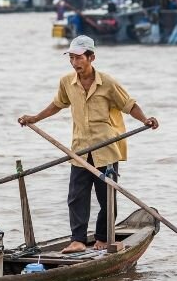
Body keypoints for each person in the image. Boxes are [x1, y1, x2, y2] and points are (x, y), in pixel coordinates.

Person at [18, 35, 158, 254]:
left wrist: (146, 120)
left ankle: (103, 237)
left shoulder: (108, 82)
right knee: (76, 196)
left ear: (91, 57)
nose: (75, 63)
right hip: (80, 150)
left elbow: (129, 105)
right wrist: (34, 118)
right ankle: (78, 240)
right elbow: (57, 104)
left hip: (107, 148)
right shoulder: (67, 82)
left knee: (107, 197)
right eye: (71, 58)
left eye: (79, 58)